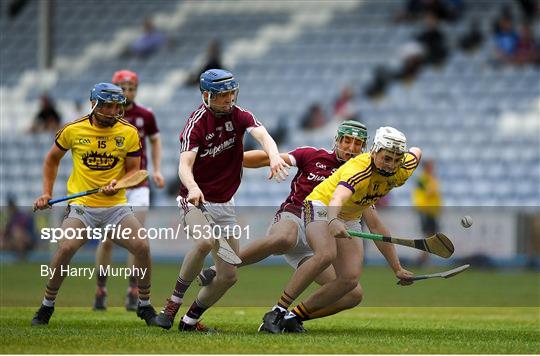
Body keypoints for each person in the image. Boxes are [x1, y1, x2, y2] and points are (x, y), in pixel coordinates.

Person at [198, 121, 411, 330]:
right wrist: (232, 161)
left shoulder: (363, 178)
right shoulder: (312, 155)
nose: (351, 148)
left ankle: (292, 318)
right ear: (337, 140)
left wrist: (396, 267)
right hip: (295, 217)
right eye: (347, 141)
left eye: (357, 144)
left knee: (353, 293)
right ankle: (219, 266)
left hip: (317, 242)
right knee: (284, 239)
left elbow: (375, 224)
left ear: (365, 148)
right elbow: (268, 158)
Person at [154, 69, 289, 332]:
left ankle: (190, 320)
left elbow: (263, 136)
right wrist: (192, 187)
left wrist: (273, 156)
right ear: (206, 95)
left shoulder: (239, 115)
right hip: (195, 201)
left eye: (231, 93)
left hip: (225, 206)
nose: (229, 99)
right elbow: (184, 166)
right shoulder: (196, 124)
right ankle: (172, 303)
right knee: (205, 241)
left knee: (228, 274)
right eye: (222, 95)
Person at [258, 126, 421, 333]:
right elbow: (338, 197)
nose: (391, 165)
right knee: (326, 254)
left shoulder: (403, 168)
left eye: (397, 160)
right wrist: (333, 220)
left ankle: (293, 317)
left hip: (350, 215)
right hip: (322, 205)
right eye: (387, 158)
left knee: (349, 279)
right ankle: (277, 311)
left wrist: (396, 268)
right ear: (374, 151)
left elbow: (416, 152)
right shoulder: (359, 170)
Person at [31, 83, 158, 327]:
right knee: (66, 247)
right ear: (94, 105)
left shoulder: (128, 132)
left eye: (116, 107)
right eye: (107, 106)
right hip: (82, 206)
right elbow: (51, 160)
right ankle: (47, 305)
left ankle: (144, 304)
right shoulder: (73, 130)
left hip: (116, 208)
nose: (112, 111)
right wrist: (46, 192)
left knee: (142, 245)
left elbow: (137, 173)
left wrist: (118, 184)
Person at [93, 70, 165, 311]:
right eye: (123, 87)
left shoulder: (146, 115)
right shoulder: (104, 116)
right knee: (106, 241)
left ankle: (133, 290)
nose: (128, 92)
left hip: (137, 184)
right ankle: (100, 289)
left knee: (138, 239)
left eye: (132, 87)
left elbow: (155, 140)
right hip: (111, 186)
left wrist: (156, 169)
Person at [412, 159, 442, 266]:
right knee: (429, 235)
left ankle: (423, 259)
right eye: (430, 166)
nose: (432, 168)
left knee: (431, 236)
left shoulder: (429, 178)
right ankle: (422, 260)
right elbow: (428, 192)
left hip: (431, 211)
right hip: (426, 210)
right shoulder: (423, 179)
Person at [0, 195, 37, 261]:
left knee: (18, 233)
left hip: (27, 240)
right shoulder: (10, 218)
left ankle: (21, 258)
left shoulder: (22, 216)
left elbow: (23, 231)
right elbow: (6, 232)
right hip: (13, 241)